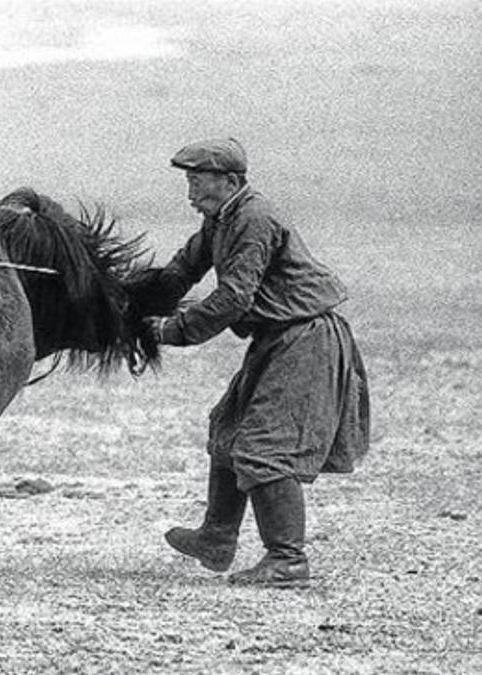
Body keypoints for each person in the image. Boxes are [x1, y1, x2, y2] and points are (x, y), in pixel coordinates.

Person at [147, 137, 370, 587]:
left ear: (230, 182)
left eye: (198, 182)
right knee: (228, 427)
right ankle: (217, 537)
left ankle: (287, 560)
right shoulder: (222, 218)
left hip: (305, 338)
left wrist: (170, 331)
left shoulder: (253, 218)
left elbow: (233, 297)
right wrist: (132, 305)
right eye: (188, 182)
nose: (191, 193)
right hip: (277, 338)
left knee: (265, 447)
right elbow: (181, 270)